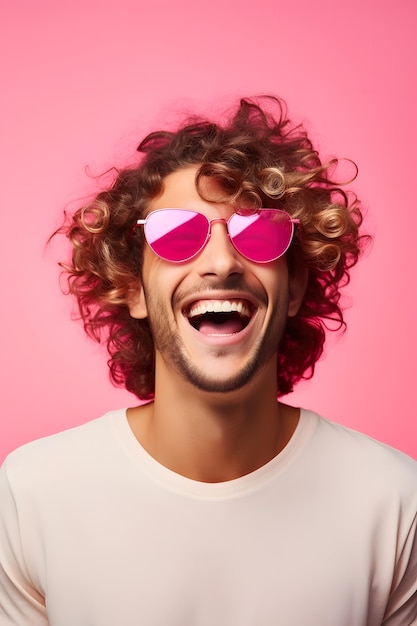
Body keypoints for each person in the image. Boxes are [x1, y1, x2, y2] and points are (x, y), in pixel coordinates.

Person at [0, 96, 416, 626]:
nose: (221, 262)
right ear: (132, 288)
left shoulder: (395, 501)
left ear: (294, 289)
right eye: (178, 235)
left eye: (260, 235)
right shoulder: (35, 492)